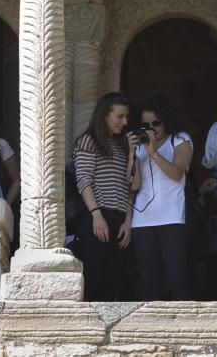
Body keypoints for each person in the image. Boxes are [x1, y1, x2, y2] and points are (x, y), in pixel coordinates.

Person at [73, 92, 139, 302]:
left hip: (120, 220)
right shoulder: (88, 140)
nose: (124, 122)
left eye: (126, 117)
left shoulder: (122, 146)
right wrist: (96, 214)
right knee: (94, 277)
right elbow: (84, 180)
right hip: (98, 217)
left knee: (114, 280)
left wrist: (128, 221)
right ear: (104, 115)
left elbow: (132, 186)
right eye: (119, 117)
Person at [130, 96, 193, 301]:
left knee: (178, 278)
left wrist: (154, 152)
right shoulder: (139, 148)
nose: (151, 129)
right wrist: (131, 152)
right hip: (142, 220)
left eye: (155, 123)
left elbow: (176, 174)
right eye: (145, 125)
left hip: (172, 217)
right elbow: (134, 185)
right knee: (149, 280)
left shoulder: (180, 140)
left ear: (165, 121)